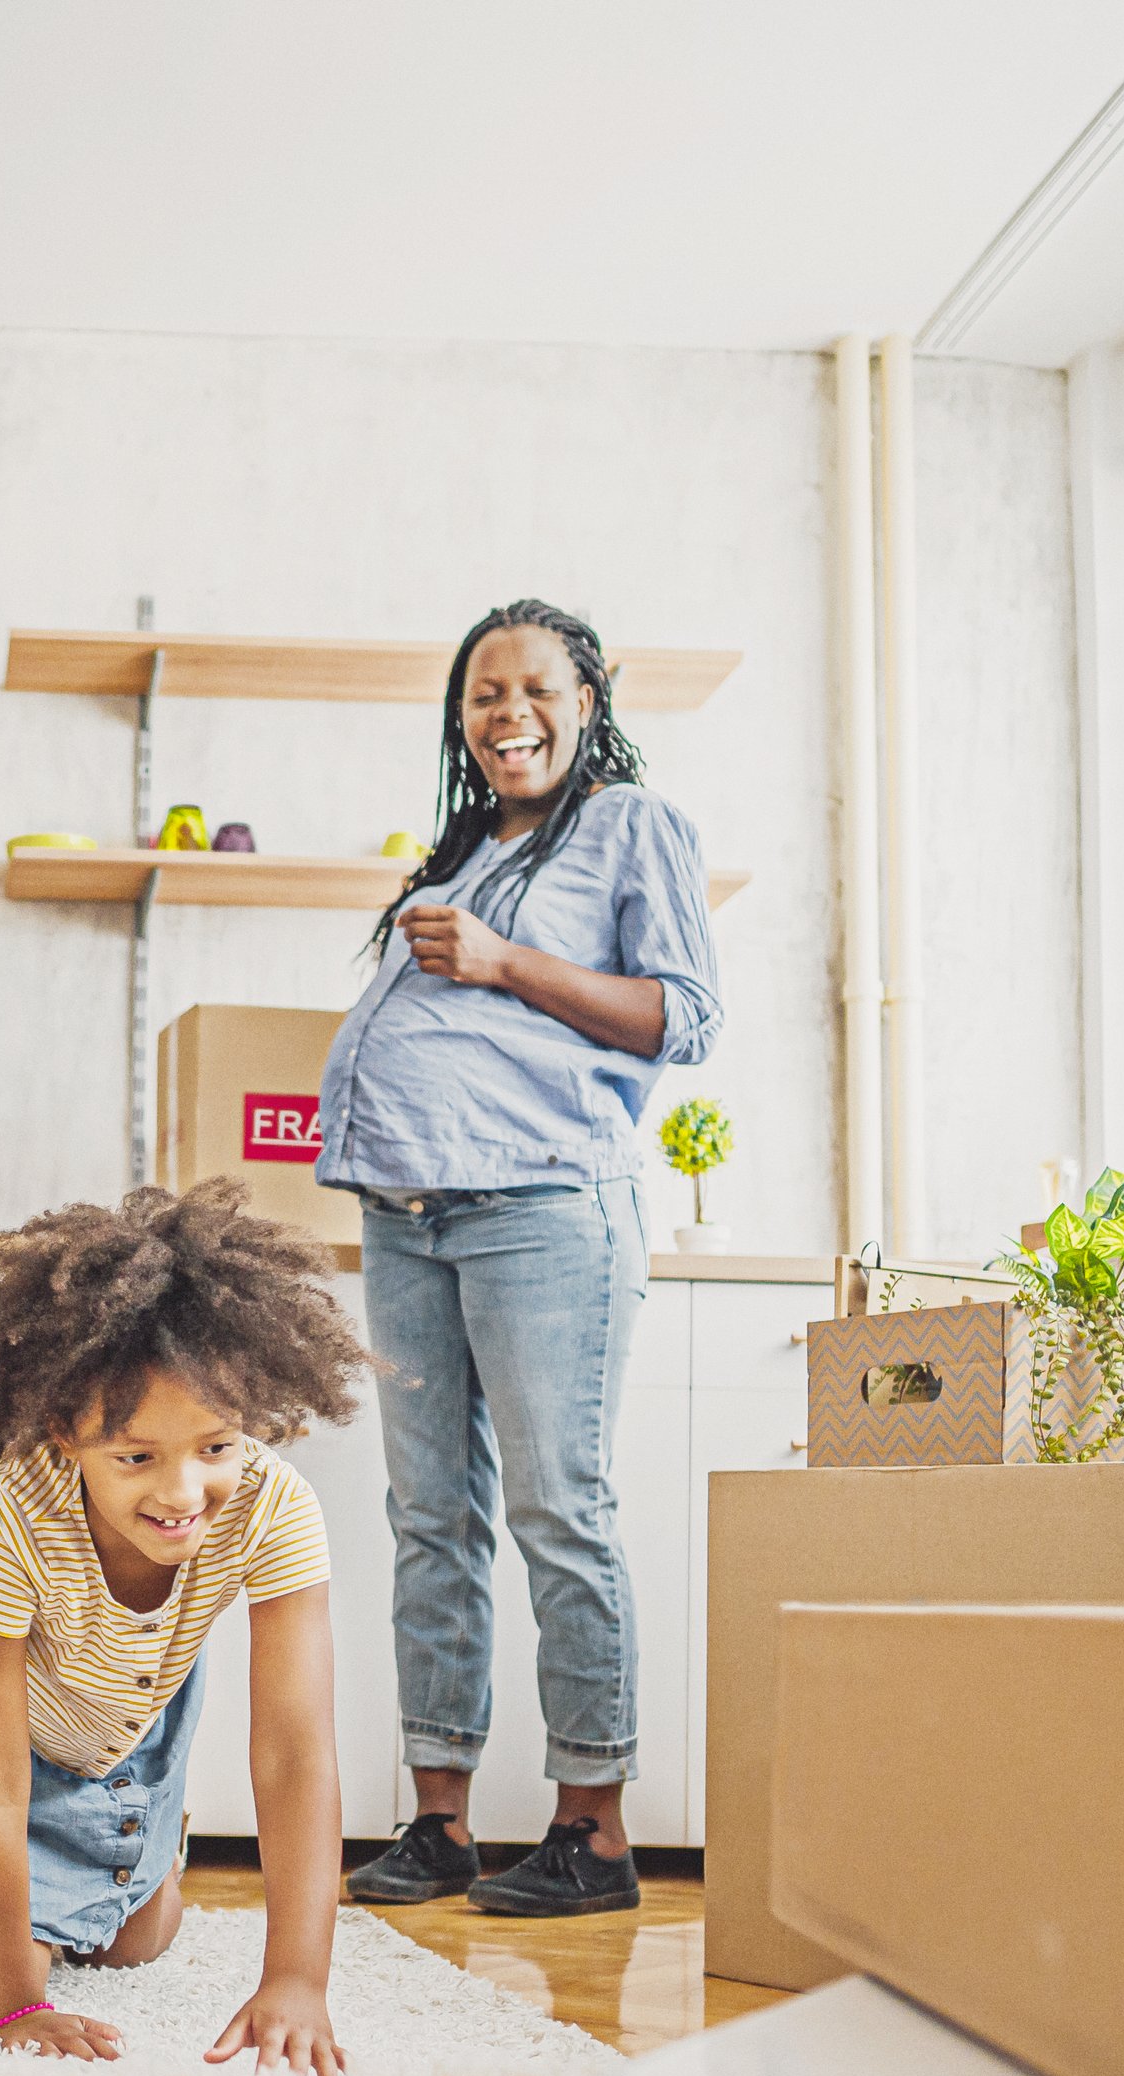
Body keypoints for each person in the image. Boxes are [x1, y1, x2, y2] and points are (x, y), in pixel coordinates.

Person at [316, 599, 724, 1920]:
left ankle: (592, 1832)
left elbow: (681, 1016)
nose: (508, 716)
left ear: (588, 699)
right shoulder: (459, 850)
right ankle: (440, 1821)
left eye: (535, 689)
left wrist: (503, 962)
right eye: (483, 695)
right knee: (427, 1515)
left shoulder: (631, 828)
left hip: (545, 1209)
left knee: (561, 1507)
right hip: (408, 1211)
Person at [0, 1184, 371, 2076]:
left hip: (124, 1696)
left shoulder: (274, 1507)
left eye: (215, 1447)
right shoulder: (9, 1513)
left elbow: (294, 1752)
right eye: (135, 1456)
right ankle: (23, 1920)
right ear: (65, 1430)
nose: (180, 1494)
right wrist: (17, 2000)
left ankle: (130, 1851)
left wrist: (297, 1977)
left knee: (134, 1942)